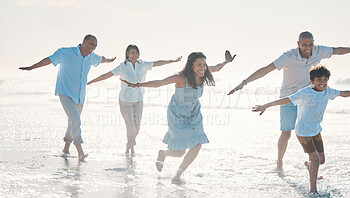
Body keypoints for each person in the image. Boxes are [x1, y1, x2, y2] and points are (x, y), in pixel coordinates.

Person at [228, 31, 350, 170]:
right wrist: (244, 82)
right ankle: (279, 162)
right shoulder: (288, 56)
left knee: (310, 130)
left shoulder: (319, 51)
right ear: (298, 44)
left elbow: (337, 50)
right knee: (286, 133)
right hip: (289, 97)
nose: (308, 48)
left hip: (308, 97)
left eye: (310, 44)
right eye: (304, 45)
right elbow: (266, 69)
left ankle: (312, 165)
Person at [252, 65, 350, 193]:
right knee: (316, 159)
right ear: (312, 81)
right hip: (303, 131)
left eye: (325, 80)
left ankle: (309, 166)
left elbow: (343, 93)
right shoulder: (305, 92)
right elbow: (286, 100)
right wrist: (266, 105)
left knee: (321, 160)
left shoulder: (327, 91)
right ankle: (313, 190)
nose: (322, 82)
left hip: (316, 130)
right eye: (319, 79)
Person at [122, 51, 236, 183]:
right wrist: (138, 85)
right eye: (199, 65)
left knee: (197, 145)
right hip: (177, 115)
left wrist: (227, 61)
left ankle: (178, 174)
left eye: (204, 65)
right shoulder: (181, 78)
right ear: (191, 65)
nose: (203, 68)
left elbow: (217, 67)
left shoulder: (204, 74)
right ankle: (163, 154)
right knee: (180, 151)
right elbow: (159, 83)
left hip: (194, 114)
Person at [19, 34, 116, 161]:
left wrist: (109, 60)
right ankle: (80, 151)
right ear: (84, 42)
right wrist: (31, 67)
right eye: (91, 44)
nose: (93, 48)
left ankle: (65, 148)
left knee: (72, 122)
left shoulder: (91, 57)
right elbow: (49, 59)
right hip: (65, 92)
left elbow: (101, 59)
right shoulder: (65, 52)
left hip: (80, 95)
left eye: (95, 46)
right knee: (76, 120)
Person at [87, 44, 182, 155]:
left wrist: (172, 61)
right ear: (127, 54)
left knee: (137, 128)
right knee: (130, 125)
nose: (134, 55)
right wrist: (92, 81)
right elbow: (106, 75)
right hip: (125, 101)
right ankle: (130, 149)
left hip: (138, 100)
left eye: (136, 53)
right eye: (132, 52)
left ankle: (129, 143)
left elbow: (157, 63)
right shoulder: (122, 66)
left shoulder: (142, 64)